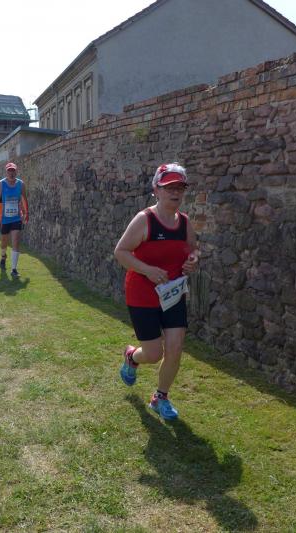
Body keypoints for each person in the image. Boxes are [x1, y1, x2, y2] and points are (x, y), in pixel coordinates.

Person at [113, 162, 200, 420]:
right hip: (142, 294)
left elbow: (192, 249)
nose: (175, 192)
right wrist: (147, 270)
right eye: (169, 187)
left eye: (180, 188)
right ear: (156, 190)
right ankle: (132, 356)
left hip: (173, 294)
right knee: (153, 354)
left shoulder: (185, 222)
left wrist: (193, 260)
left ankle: (160, 397)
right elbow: (121, 252)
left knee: (175, 347)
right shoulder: (145, 220)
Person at [0, 162, 29, 278]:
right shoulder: (0, 184)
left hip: (16, 217)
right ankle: (3, 257)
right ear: (6, 172)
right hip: (4, 218)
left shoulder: (21, 184)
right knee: (4, 242)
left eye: (13, 170)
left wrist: (26, 213)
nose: (11, 173)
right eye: (9, 171)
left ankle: (14, 269)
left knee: (16, 241)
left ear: (16, 171)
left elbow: (24, 199)